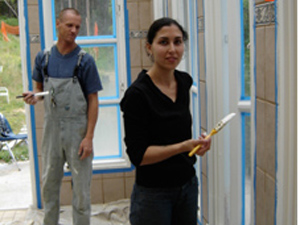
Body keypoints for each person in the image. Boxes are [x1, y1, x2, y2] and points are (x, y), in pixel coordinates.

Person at [120, 17, 212, 225]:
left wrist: (197, 146)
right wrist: (183, 146)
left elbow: (177, 131)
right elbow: (138, 155)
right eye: (164, 42)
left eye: (178, 42)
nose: (172, 49)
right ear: (149, 47)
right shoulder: (137, 94)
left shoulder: (184, 81)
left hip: (187, 186)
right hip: (153, 194)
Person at [22, 8, 102, 225]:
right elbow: (39, 92)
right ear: (58, 24)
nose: (74, 30)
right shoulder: (44, 58)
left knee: (82, 189)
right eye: (69, 25)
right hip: (52, 130)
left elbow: (93, 100)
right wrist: (33, 96)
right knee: (49, 185)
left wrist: (89, 137)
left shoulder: (85, 61)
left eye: (77, 26)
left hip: (78, 131)